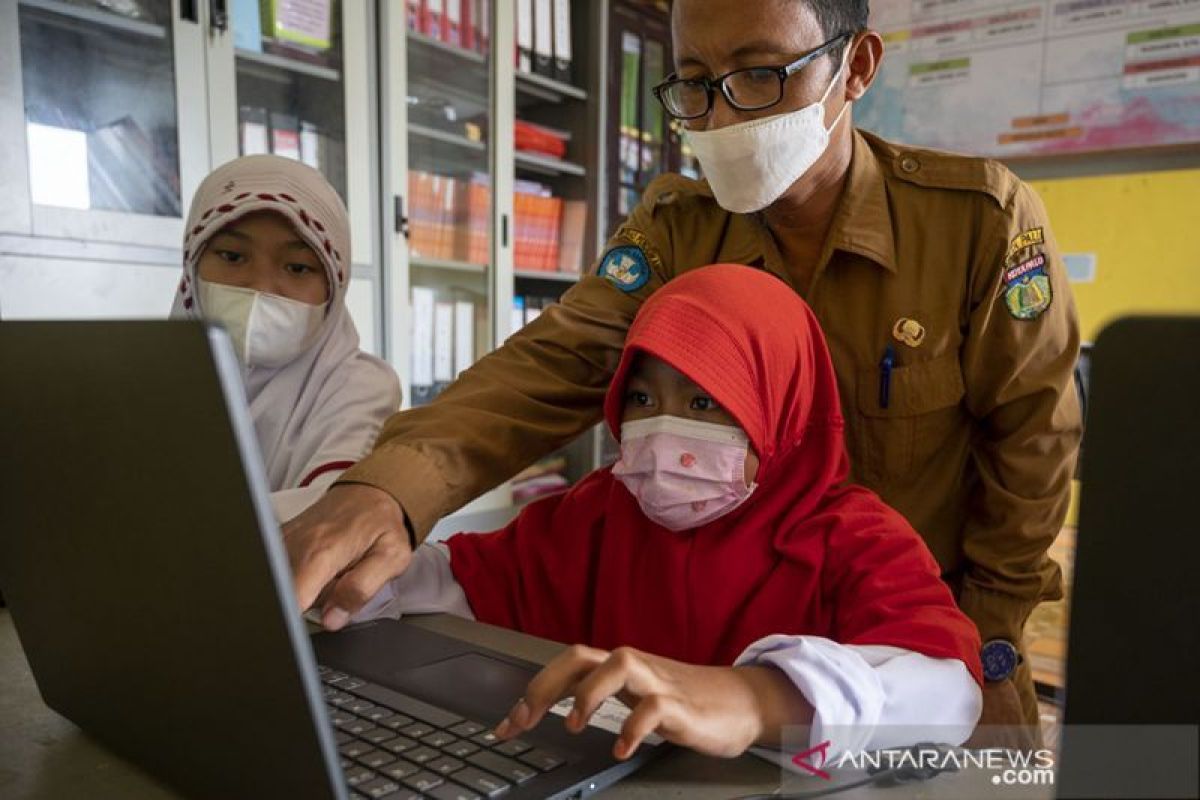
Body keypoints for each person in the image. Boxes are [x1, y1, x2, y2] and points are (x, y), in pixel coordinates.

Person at [285, 0, 1081, 734]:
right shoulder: (677, 227)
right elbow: (549, 364)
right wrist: (389, 491)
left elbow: (1033, 453)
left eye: (760, 75)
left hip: (904, 642)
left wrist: (974, 649)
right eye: (696, 84)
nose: (725, 114)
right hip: (703, 657)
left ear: (857, 67)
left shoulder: (973, 224)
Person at [358, 264, 983, 761]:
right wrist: (354, 564)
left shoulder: (854, 536)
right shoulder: (597, 514)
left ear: (781, 408)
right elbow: (463, 580)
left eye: (706, 401)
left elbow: (948, 690)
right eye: (639, 396)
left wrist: (757, 700)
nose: (664, 426)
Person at [172, 155, 400, 522]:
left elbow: (327, 522)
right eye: (232, 256)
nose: (260, 287)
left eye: (297, 268)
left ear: (334, 285)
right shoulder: (147, 376)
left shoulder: (359, 387)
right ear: (192, 267)